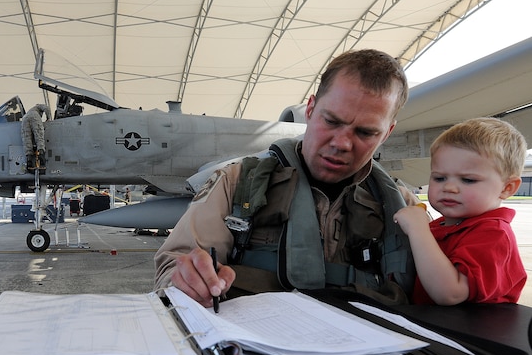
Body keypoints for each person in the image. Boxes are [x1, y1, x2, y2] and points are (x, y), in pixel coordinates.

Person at [154, 49, 416, 308]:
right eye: (332, 121)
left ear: (386, 133)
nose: (342, 143)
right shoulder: (237, 183)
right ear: (311, 109)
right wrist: (187, 281)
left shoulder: (403, 209)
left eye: (365, 132)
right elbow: (173, 265)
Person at [394, 117, 527, 305]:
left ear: (507, 188)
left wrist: (418, 230)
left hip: (464, 332)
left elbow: (450, 294)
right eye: (439, 178)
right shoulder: (440, 226)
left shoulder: (493, 234)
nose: (449, 187)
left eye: (468, 180)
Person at [21, 102, 52, 172]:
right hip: (34, 116)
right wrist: (48, 118)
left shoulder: (29, 111)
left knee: (27, 139)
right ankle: (41, 156)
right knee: (39, 136)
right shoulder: (38, 107)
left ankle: (29, 160)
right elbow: (46, 108)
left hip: (25, 119)